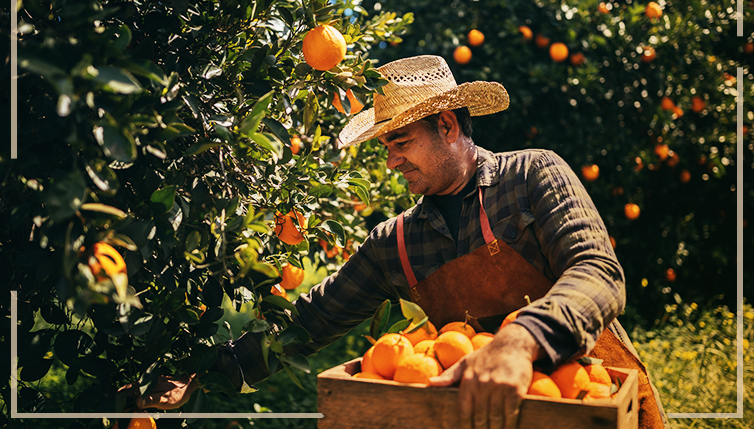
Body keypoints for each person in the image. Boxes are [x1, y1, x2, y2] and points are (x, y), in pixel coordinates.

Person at [135, 55, 669, 429]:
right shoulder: (395, 243)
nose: (390, 160)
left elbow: (598, 272)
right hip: (472, 416)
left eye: (400, 141)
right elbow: (306, 322)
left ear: (447, 125)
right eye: (385, 145)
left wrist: (521, 340)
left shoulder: (532, 176)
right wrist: (199, 372)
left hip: (587, 401)